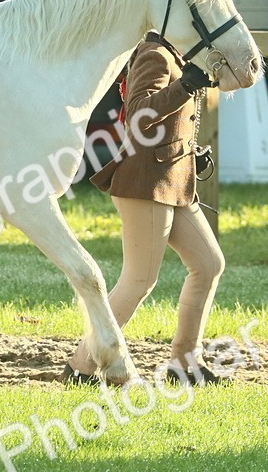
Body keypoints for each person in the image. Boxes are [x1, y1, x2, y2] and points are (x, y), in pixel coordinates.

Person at [63, 31, 227, 385]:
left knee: (209, 264)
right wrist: (184, 87)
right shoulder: (155, 53)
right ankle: (82, 365)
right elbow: (137, 115)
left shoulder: (176, 54)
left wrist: (187, 153)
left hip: (173, 181)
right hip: (146, 184)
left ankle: (184, 363)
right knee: (139, 280)